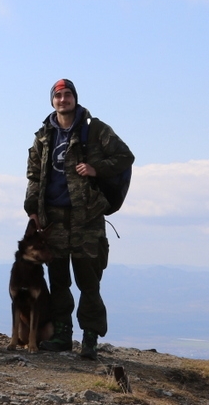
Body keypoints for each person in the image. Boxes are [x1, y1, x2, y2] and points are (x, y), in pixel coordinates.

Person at [25, 79, 134, 360]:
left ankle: (90, 339)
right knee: (59, 281)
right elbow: (35, 175)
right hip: (55, 220)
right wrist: (32, 209)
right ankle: (62, 335)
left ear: (75, 98)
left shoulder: (95, 129)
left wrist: (97, 169)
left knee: (89, 282)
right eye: (58, 96)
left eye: (68, 95)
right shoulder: (42, 137)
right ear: (52, 101)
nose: (63, 100)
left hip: (87, 218)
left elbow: (125, 157)